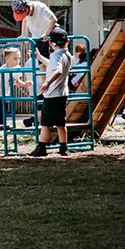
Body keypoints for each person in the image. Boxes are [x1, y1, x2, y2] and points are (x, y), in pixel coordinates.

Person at [29, 28, 72, 157]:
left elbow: (57, 70)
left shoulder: (55, 56)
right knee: (60, 123)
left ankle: (41, 147)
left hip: (52, 94)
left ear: (51, 43)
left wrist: (48, 82)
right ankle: (64, 147)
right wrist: (40, 57)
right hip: (62, 94)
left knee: (45, 123)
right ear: (67, 42)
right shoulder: (66, 55)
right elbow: (52, 65)